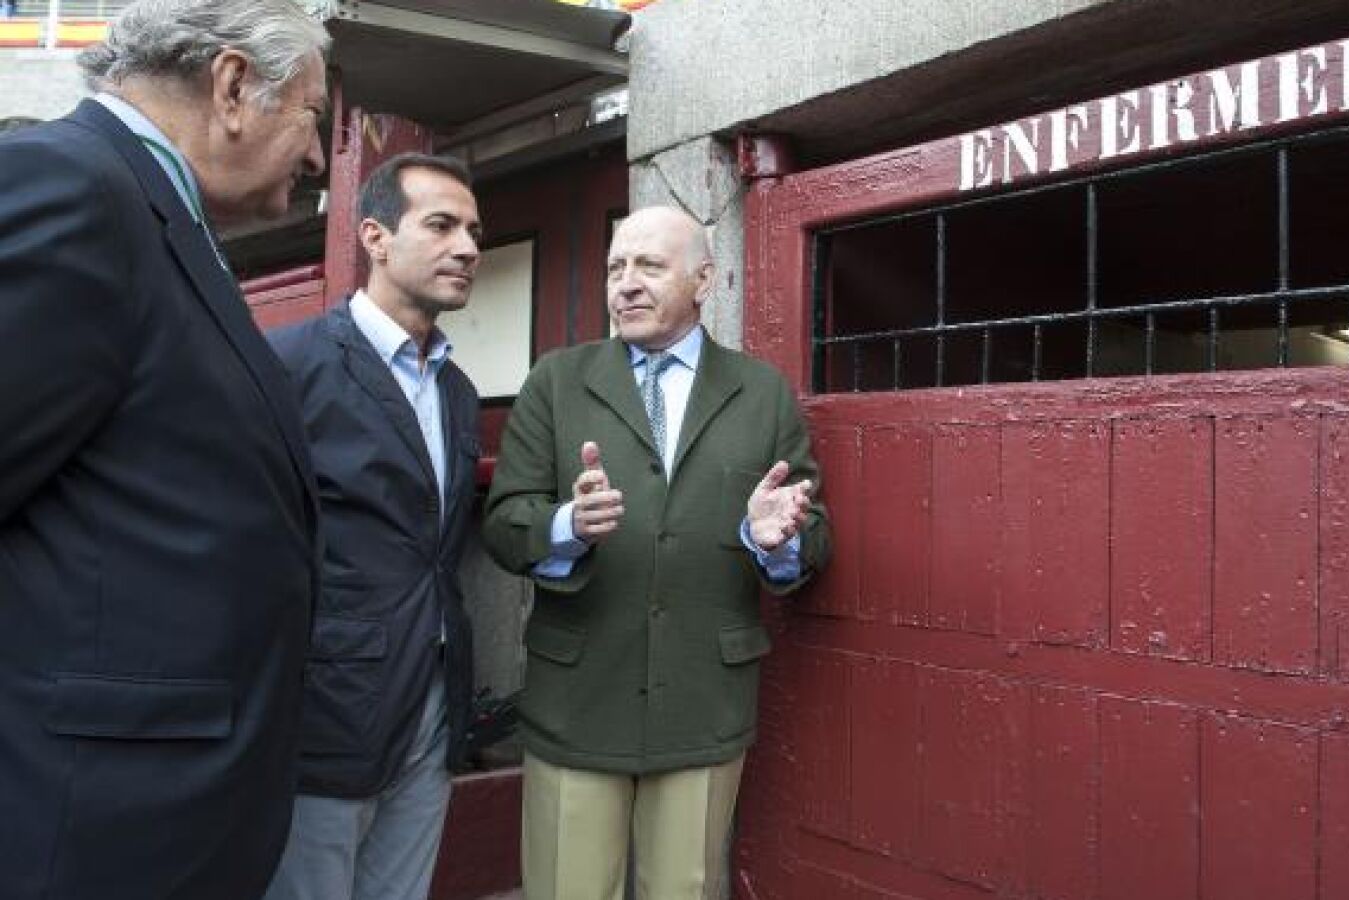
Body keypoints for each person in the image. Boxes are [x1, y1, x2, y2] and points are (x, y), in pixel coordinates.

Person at [0, 1, 328, 898]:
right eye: (312, 115)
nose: (316, 156)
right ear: (233, 87)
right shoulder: (71, 187)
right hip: (94, 833)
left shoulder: (156, 217)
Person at [482, 205, 832, 900]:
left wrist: (775, 539)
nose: (627, 283)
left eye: (649, 265)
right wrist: (568, 526)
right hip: (577, 698)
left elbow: (813, 533)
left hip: (703, 700)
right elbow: (503, 524)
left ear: (704, 280)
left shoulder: (761, 393)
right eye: (616, 267)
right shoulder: (556, 381)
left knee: (685, 889)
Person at [262, 152, 484, 900]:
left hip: (434, 707)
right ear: (375, 237)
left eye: (474, 232)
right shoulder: (291, 364)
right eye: (442, 225)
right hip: (324, 712)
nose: (467, 247)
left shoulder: (457, 390)